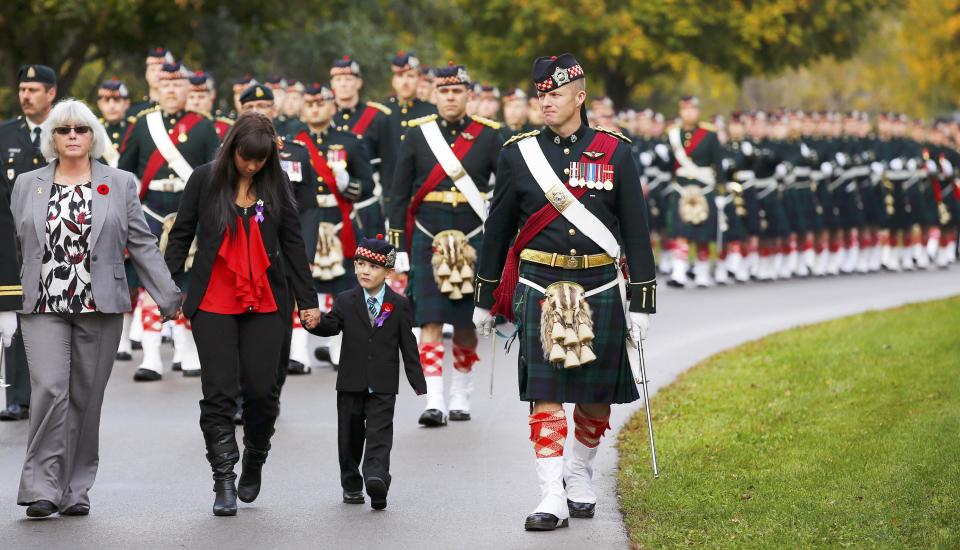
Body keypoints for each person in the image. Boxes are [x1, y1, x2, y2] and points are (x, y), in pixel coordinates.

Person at [473, 53, 656, 531]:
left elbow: (636, 230)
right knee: (546, 392)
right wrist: (484, 296)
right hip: (539, 283)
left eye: (554, 94)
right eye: (541, 95)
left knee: (595, 397)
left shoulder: (616, 152)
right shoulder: (518, 153)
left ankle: (579, 470)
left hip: (598, 285)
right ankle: (550, 492)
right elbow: (498, 230)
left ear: (580, 96)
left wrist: (642, 301)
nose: (546, 103)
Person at [11, 99, 181, 518]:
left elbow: (140, 242)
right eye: (63, 129)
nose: (72, 136)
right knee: (50, 389)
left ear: (93, 136)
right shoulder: (27, 183)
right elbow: (19, 244)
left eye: (81, 129)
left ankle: (74, 489)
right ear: (51, 137)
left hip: (100, 304)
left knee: (86, 399)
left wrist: (168, 295)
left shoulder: (119, 182)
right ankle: (41, 488)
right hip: (43, 303)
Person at [164, 112, 320, 516]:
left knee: (262, 392)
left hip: (266, 300)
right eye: (245, 158)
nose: (251, 166)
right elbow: (182, 232)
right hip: (214, 299)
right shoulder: (204, 178)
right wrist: (168, 288)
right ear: (232, 148)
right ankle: (223, 480)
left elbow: (293, 243)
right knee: (218, 393)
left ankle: (256, 454)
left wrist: (308, 300)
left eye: (259, 160)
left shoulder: (277, 181)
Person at [387, 62, 502, 427]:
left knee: (468, 322)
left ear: (468, 94)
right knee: (430, 319)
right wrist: (398, 246)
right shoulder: (417, 135)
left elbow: (506, 193)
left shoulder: (488, 136)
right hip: (427, 236)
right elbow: (398, 195)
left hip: (473, 236)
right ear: (434, 94)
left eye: (457, 91)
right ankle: (433, 400)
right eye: (444, 91)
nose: (450, 97)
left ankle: (460, 397)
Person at [307, 235, 426, 510]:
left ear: (387, 272)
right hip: (350, 382)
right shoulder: (346, 300)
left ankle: (377, 479)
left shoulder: (398, 304)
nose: (363, 271)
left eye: (371, 266)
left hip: (383, 385)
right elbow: (331, 325)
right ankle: (351, 484)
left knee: (379, 434)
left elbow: (408, 345)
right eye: (359, 264)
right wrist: (314, 323)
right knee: (348, 437)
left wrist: (416, 380)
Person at [119, 62, 220, 380]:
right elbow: (125, 171)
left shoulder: (204, 127)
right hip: (150, 212)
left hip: (189, 211)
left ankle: (188, 350)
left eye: (179, 85)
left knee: (190, 285)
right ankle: (150, 357)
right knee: (150, 283)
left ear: (189, 89)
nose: (173, 91)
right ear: (157, 89)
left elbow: (214, 174)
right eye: (167, 85)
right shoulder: (143, 124)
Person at [293, 82, 373, 372]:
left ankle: (341, 349)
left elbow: (368, 186)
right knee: (301, 287)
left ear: (332, 106)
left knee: (343, 290)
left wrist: (348, 184)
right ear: (303, 107)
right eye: (310, 103)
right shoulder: (291, 141)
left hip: (340, 223)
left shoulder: (350, 141)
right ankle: (297, 352)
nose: (315, 108)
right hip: (304, 221)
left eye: (321, 103)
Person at [0, 64, 57, 422]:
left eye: (34, 89)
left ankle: (51, 393)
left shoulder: (67, 130)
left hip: (56, 239)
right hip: (14, 239)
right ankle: (19, 396)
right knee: (18, 315)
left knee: (54, 316)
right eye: (22, 89)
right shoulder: (5, 134)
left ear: (51, 93)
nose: (26, 95)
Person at [664, 95, 723, 287]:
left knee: (702, 235)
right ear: (680, 112)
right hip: (681, 189)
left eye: (692, 109)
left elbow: (719, 165)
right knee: (681, 232)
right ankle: (678, 273)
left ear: (698, 111)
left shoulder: (710, 134)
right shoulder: (673, 134)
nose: (688, 113)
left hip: (703, 190)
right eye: (684, 109)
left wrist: (722, 192)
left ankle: (702, 273)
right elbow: (669, 165)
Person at [330, 55, 391, 239]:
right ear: (332, 84)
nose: (344, 84)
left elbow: (388, 166)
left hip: (367, 201)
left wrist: (388, 208)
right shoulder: (324, 118)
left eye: (349, 79)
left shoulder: (377, 117)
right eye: (338, 80)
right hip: (333, 204)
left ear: (359, 83)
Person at [127, 47, 175, 118]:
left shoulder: (178, 109)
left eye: (162, 70)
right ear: (146, 74)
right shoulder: (134, 111)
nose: (157, 74)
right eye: (153, 70)